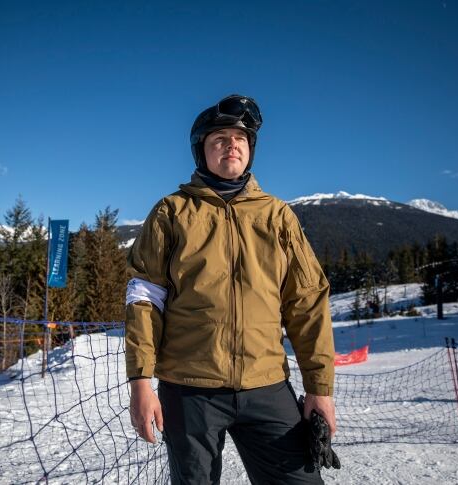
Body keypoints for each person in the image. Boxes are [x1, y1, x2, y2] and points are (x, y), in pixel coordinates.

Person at [125, 94, 336, 484]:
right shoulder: (170, 213)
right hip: (190, 392)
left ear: (250, 151)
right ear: (200, 152)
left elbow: (306, 303)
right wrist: (140, 382)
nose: (231, 145)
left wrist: (319, 390)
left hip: (267, 386)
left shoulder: (277, 216)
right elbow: (144, 300)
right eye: (218, 139)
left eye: (240, 139)